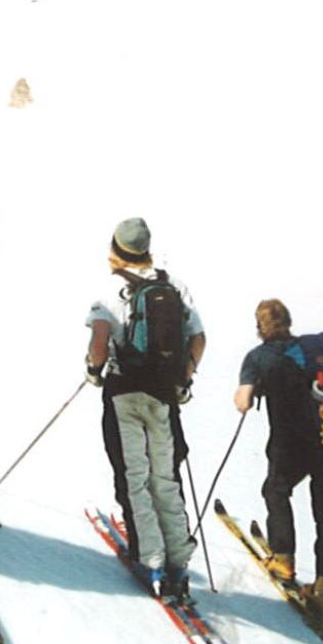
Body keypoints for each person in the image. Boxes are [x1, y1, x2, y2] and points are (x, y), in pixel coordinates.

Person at [85, 217, 206, 600]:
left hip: (124, 392)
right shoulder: (172, 286)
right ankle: (178, 560)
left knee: (134, 474)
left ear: (116, 249)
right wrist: (184, 378)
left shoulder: (111, 288)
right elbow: (198, 339)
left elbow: (100, 340)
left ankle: (150, 559)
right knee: (165, 476)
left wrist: (93, 369)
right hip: (164, 395)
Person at [233, 298, 323, 619]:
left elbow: (243, 400)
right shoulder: (317, 352)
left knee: (277, 489)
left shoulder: (259, 358)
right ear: (288, 322)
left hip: (291, 444)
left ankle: (283, 559)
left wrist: (249, 391)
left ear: (260, 328)